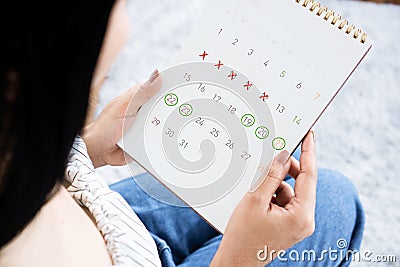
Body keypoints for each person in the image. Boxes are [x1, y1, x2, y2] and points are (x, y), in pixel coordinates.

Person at [0, 0, 365, 266]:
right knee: (335, 198)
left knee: (281, 162)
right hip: (124, 248)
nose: (125, 25)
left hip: (104, 216)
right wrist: (241, 258)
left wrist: (88, 146)